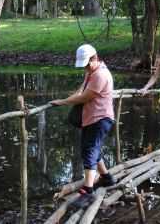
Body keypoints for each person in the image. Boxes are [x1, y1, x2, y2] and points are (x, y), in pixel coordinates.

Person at [50, 44, 115, 207]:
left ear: (95, 58)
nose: (85, 67)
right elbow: (80, 91)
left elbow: (85, 97)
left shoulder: (100, 75)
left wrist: (63, 102)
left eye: (87, 63)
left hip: (100, 119)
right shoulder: (91, 72)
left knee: (89, 151)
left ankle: (88, 190)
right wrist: (67, 98)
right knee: (92, 149)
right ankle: (107, 178)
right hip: (92, 117)